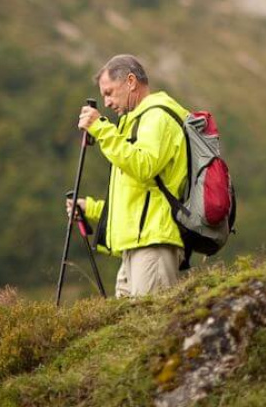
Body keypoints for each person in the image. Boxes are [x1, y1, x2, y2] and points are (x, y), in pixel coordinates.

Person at [67, 54, 189, 297]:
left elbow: (144, 166)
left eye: (109, 92)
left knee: (151, 328)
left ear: (131, 81)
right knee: (130, 329)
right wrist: (89, 208)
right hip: (137, 245)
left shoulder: (157, 116)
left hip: (154, 243)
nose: (107, 102)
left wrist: (101, 129)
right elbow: (136, 198)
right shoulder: (135, 121)